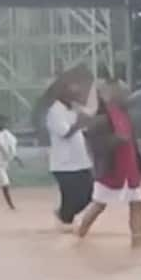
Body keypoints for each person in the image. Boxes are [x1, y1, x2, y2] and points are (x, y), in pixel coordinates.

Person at [78, 80, 141, 247]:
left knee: (136, 202)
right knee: (99, 205)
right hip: (111, 169)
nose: (127, 95)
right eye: (123, 92)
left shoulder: (125, 114)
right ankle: (80, 235)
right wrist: (115, 140)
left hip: (129, 168)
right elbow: (94, 143)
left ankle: (137, 238)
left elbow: (133, 144)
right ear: (111, 95)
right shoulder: (100, 116)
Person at [46, 81, 94, 231]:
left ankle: (64, 218)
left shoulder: (73, 110)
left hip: (82, 161)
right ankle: (65, 224)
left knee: (91, 194)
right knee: (72, 198)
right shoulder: (54, 111)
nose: (76, 96)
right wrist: (80, 121)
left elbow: (85, 129)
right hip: (64, 164)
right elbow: (65, 133)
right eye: (72, 93)